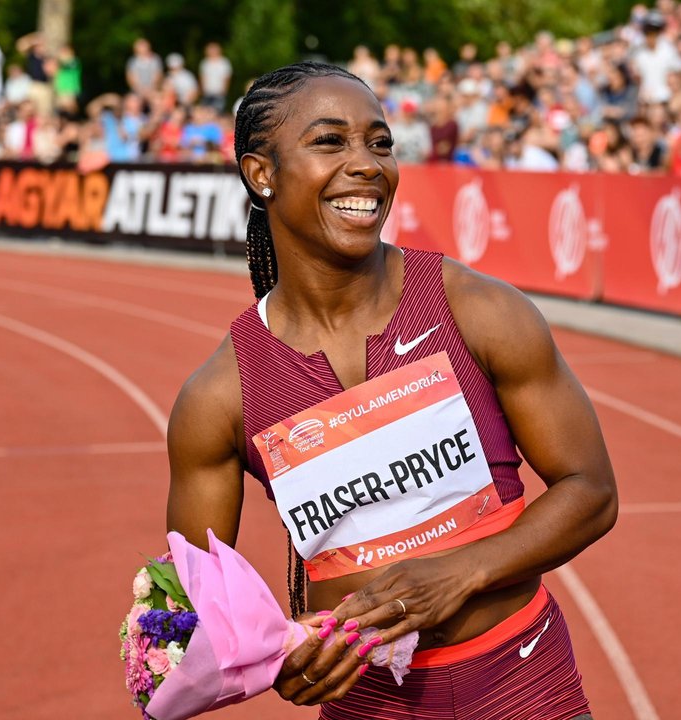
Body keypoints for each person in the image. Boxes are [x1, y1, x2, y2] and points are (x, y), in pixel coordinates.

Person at [166, 61, 615, 718]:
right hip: (369, 707)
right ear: (261, 174)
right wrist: (273, 661)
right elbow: (192, 613)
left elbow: (592, 491)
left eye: (379, 143)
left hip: (525, 688)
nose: (367, 164)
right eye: (330, 142)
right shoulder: (219, 396)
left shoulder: (477, 309)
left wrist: (463, 572)